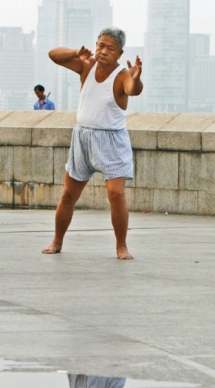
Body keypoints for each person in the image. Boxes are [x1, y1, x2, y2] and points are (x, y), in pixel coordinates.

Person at [41, 27, 143, 260]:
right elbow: (53, 55)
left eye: (110, 48)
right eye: (100, 45)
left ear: (119, 53)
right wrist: (76, 52)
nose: (103, 51)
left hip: (111, 140)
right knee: (68, 194)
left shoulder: (122, 74)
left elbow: (132, 89)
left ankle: (121, 246)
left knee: (116, 194)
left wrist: (136, 77)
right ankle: (57, 240)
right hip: (83, 137)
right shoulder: (87, 65)